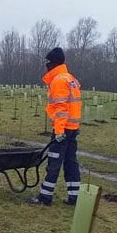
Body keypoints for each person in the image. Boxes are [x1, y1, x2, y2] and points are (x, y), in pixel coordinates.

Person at [28, 47, 82, 206]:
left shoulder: (59, 80)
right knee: (71, 162)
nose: (46, 66)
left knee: (54, 163)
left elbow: (61, 109)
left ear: (53, 63)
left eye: (48, 63)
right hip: (72, 128)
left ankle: (45, 197)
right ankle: (74, 197)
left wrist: (58, 131)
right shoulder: (71, 79)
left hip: (63, 130)